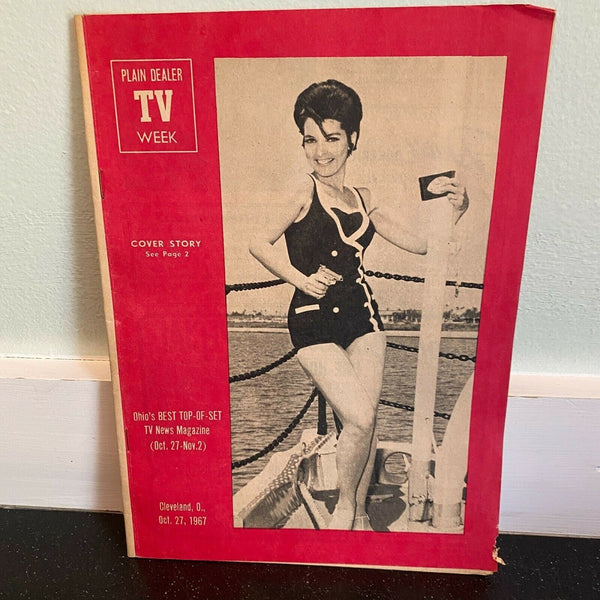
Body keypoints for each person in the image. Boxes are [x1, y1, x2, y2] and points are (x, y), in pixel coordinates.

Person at [249, 79, 468, 530]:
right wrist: (302, 280)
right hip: (312, 322)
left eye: (331, 138)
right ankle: (345, 509)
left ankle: (359, 515)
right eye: (310, 139)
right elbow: (257, 242)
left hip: (363, 320)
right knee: (361, 416)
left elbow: (422, 244)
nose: (320, 151)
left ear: (353, 138)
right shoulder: (302, 191)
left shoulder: (365, 199)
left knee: (365, 423)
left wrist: (457, 211)